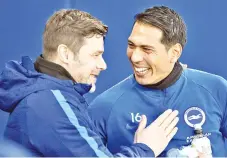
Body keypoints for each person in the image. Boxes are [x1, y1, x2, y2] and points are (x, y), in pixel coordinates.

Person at [0, 9, 179, 157]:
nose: (103, 65)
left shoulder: (46, 95)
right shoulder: (49, 104)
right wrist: (146, 148)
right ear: (66, 54)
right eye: (95, 55)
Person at [88, 5, 227, 157]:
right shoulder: (105, 107)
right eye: (131, 45)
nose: (135, 57)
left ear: (174, 53)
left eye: (147, 49)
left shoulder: (216, 91)